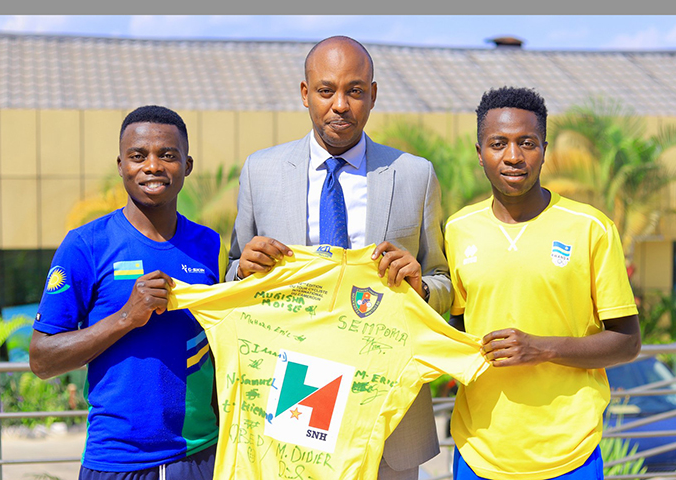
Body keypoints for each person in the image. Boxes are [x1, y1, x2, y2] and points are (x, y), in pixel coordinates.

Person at [226, 35, 451, 480]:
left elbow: (444, 283)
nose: (341, 105)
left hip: (385, 410)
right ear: (306, 94)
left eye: (355, 90)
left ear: (373, 94)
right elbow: (233, 274)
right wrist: (242, 270)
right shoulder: (260, 171)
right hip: (292, 400)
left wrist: (422, 286)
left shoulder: (413, 174)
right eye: (327, 90)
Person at [444, 87, 642, 480]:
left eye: (527, 143)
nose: (513, 156)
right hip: (479, 451)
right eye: (498, 143)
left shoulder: (591, 228)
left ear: (545, 149)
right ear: (479, 151)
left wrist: (541, 348)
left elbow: (627, 342)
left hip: (570, 453)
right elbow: (455, 333)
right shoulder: (457, 230)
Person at [29, 105, 223, 480]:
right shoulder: (86, 245)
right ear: (121, 165)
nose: (152, 166)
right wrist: (125, 318)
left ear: (188, 165)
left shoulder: (208, 243)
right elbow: (41, 360)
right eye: (138, 156)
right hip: (117, 460)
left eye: (168, 155)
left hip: (200, 455)